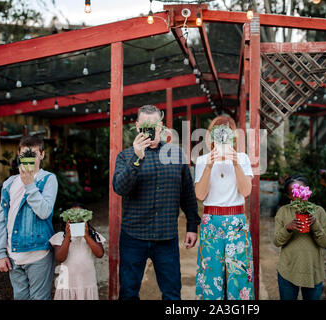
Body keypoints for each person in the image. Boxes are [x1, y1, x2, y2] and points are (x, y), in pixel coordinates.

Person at [113, 104, 200, 300]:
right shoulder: (126, 156)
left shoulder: (176, 154)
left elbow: (187, 193)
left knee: (172, 293)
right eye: (145, 125)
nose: (151, 129)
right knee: (128, 293)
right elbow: (120, 188)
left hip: (166, 237)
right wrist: (137, 158)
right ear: (137, 127)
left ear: (161, 126)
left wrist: (192, 225)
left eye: (154, 125)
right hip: (133, 237)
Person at [194, 116, 254, 300]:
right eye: (217, 133)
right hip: (211, 220)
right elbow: (200, 195)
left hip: (236, 221)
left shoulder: (242, 158)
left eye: (226, 133)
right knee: (210, 275)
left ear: (232, 136)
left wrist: (235, 163)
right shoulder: (203, 160)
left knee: (240, 275)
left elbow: (245, 192)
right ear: (211, 136)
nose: (222, 137)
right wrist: (209, 165)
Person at [0, 135, 58, 300]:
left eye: (33, 155)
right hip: (14, 255)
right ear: (18, 155)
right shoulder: (9, 183)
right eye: (24, 155)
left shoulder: (48, 179)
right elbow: (2, 220)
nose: (28, 160)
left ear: (42, 155)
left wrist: (30, 184)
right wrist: (0, 253)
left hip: (39, 254)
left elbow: (44, 212)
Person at [273, 175, 326, 300]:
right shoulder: (283, 211)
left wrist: (315, 224)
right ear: (289, 196)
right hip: (288, 268)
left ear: (308, 192)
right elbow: (277, 241)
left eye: (302, 190)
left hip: (313, 270)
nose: (299, 195)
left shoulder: (319, 211)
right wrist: (288, 228)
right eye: (294, 192)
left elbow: (325, 243)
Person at [50, 204, 105, 300]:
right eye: (72, 218)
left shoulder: (93, 236)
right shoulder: (60, 236)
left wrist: (86, 236)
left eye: (80, 218)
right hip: (67, 284)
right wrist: (67, 237)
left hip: (87, 282)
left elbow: (100, 254)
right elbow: (60, 258)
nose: (76, 221)